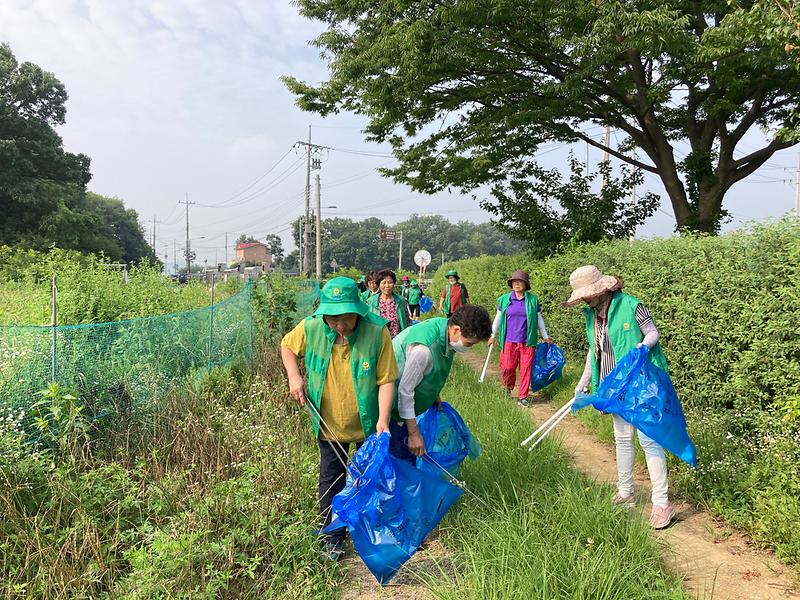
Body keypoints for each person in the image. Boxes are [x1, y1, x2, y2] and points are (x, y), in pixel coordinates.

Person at [280, 276, 398, 560]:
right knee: (331, 479)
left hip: (369, 424)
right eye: (333, 319)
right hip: (328, 422)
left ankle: (370, 534)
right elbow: (287, 346)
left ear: (358, 311)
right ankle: (333, 537)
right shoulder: (311, 327)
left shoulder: (376, 331)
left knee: (369, 478)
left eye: (346, 319)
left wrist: (383, 419)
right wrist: (294, 377)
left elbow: (386, 379)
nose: (340, 326)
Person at [567, 265, 675, 529]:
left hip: (642, 385)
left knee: (649, 441)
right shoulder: (591, 316)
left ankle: (662, 503)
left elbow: (652, 332)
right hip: (613, 388)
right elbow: (594, 352)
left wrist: (643, 346)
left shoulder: (632, 305)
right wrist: (582, 384)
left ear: (602, 289)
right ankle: (626, 492)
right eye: (582, 297)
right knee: (622, 439)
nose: (586, 300)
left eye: (588, 295)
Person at [389, 305, 493, 463]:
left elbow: (429, 371)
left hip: (403, 404)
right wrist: (414, 433)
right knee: (400, 462)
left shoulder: (445, 330)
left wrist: (433, 394)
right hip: (392, 408)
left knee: (406, 459)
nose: (469, 348)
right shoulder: (423, 350)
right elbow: (405, 391)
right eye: (469, 343)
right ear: (456, 330)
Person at [488, 269, 551, 407]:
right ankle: (507, 387)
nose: (517, 284)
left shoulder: (533, 300)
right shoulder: (504, 299)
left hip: (528, 342)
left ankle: (523, 396)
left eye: (520, 281)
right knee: (507, 367)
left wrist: (545, 336)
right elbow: (498, 319)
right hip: (508, 340)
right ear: (511, 284)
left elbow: (539, 319)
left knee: (526, 369)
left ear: (525, 284)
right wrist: (492, 335)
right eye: (515, 281)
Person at [366, 269, 409, 337]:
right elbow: (367, 323)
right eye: (383, 283)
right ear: (379, 284)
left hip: (397, 340)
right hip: (378, 340)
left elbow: (406, 321)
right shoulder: (371, 301)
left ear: (394, 284)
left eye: (390, 282)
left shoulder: (401, 301)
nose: (387, 286)